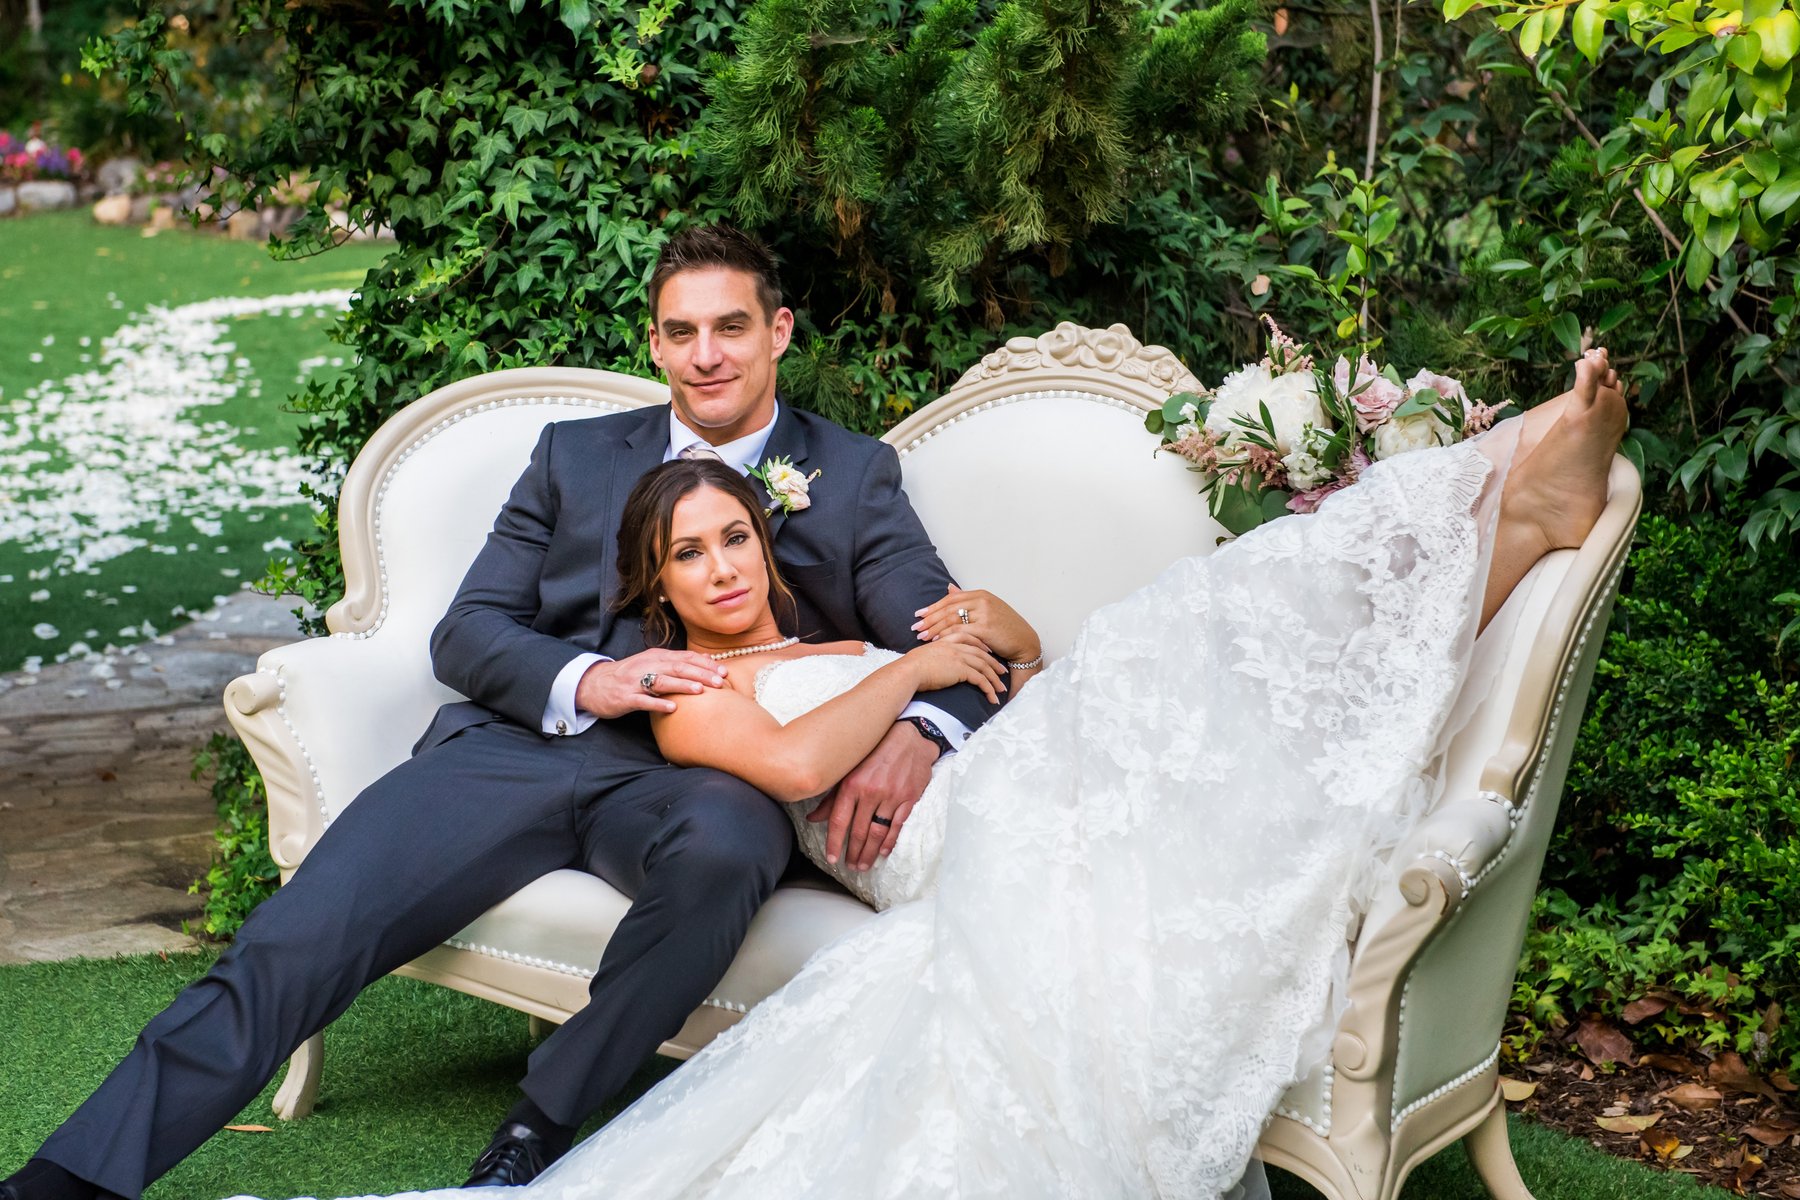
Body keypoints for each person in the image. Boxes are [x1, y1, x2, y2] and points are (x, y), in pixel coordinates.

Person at [275, 346, 1626, 1200]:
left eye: (734, 538)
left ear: (762, 543)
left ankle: (1505, 501)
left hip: (1035, 763)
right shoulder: (693, 695)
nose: (723, 567)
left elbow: (1018, 661)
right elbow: (797, 761)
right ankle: (1515, 509)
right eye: (689, 555)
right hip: (961, 847)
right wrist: (916, 675)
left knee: (1200, 639)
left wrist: (985, 632)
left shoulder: (841, 638)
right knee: (1219, 682)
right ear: (658, 587)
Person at [0, 225, 1007, 1200]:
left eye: (731, 327)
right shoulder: (573, 456)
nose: (707, 356)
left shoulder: (850, 477)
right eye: (682, 332)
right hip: (523, 748)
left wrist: (921, 734)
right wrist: (589, 680)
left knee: (727, 850)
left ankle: (536, 1126)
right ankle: (73, 1175)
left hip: (710, 774)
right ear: (655, 345)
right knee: (305, 930)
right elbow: (468, 630)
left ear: (777, 332)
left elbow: (962, 638)